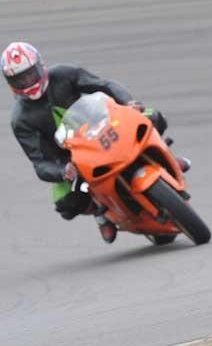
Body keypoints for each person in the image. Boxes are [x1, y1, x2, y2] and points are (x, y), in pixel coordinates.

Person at [2, 42, 190, 244]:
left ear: (40, 66)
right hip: (70, 156)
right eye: (20, 79)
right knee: (67, 202)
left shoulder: (64, 73)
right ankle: (100, 212)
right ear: (11, 83)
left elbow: (105, 85)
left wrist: (127, 102)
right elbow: (39, 163)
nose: (27, 81)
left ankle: (165, 156)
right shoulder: (20, 120)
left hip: (101, 125)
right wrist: (62, 171)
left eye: (30, 74)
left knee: (152, 116)